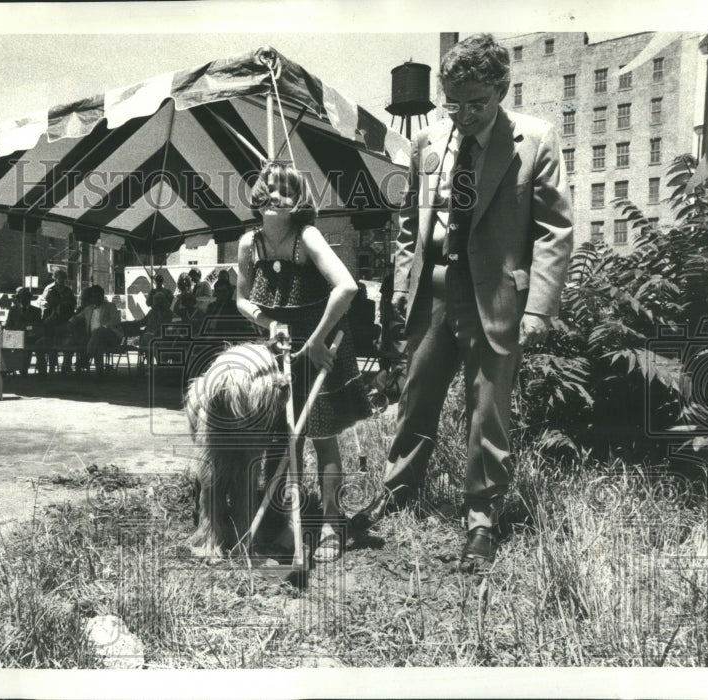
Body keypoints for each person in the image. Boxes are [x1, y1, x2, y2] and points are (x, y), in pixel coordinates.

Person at [350, 34, 574, 572]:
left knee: (487, 409)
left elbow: (555, 231)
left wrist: (540, 307)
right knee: (416, 395)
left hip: (495, 297)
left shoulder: (535, 140)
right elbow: (408, 226)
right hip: (433, 293)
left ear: (502, 89)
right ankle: (399, 491)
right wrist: (403, 290)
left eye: (478, 103)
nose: (465, 114)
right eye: (454, 102)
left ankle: (481, 519)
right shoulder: (427, 140)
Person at [237, 161, 372, 563]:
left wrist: (315, 341)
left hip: (322, 343)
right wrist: (269, 322)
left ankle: (332, 522)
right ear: (258, 195)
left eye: (287, 190)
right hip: (280, 347)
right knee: (280, 439)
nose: (277, 195)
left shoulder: (307, 236)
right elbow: (242, 300)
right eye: (271, 187)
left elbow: (347, 287)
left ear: (299, 202)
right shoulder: (249, 244)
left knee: (321, 435)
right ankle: (287, 524)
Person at [72, 285, 122, 378]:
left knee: (98, 332)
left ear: (102, 296)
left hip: (111, 336)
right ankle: (100, 373)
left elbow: (116, 320)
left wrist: (104, 327)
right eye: (94, 296)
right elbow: (76, 318)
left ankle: (86, 357)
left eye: (98, 296)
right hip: (95, 339)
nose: (96, 298)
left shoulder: (110, 306)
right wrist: (70, 322)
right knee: (98, 344)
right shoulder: (88, 309)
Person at [36, 268, 77, 374]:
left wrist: (67, 304)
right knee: (49, 342)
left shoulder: (68, 290)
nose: (61, 280)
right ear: (55, 278)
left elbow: (74, 303)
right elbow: (40, 300)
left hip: (64, 319)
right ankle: (51, 366)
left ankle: (66, 366)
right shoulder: (49, 289)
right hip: (51, 320)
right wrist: (44, 304)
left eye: (63, 278)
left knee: (68, 343)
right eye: (59, 278)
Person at [2, 286, 42, 375]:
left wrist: (26, 328)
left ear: (30, 298)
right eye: (22, 297)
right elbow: (8, 324)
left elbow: (37, 325)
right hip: (15, 336)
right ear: (18, 299)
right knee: (4, 342)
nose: (24, 300)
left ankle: (24, 369)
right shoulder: (13, 309)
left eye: (26, 297)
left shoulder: (36, 311)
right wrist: (14, 330)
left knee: (27, 346)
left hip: (29, 337)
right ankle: (8, 368)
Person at [347, 282, 378, 358]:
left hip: (354, 333)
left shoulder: (348, 303)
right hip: (361, 333)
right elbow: (371, 320)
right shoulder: (370, 304)